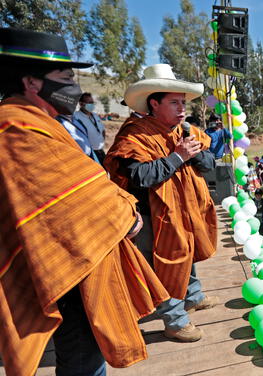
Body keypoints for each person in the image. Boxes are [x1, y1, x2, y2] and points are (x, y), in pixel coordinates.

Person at [0, 27, 168, 375]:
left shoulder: (44, 121)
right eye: (65, 77)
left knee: (84, 350)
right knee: (80, 353)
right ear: (32, 83)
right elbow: (74, 194)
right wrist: (124, 214)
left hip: (76, 252)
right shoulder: (15, 126)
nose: (75, 87)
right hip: (65, 260)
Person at [104, 64, 218, 342]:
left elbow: (209, 163)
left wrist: (194, 154)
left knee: (186, 252)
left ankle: (192, 296)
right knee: (164, 266)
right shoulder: (134, 134)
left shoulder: (185, 130)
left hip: (184, 211)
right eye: (174, 102)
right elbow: (140, 177)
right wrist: (177, 157)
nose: (182, 109)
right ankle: (175, 321)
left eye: (183, 102)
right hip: (151, 218)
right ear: (154, 103)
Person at [73, 92, 106, 162]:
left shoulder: (95, 115)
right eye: (89, 102)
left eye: (92, 102)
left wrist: (102, 140)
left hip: (100, 151)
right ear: (81, 104)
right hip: (89, 154)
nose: (92, 105)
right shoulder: (75, 117)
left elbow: (102, 130)